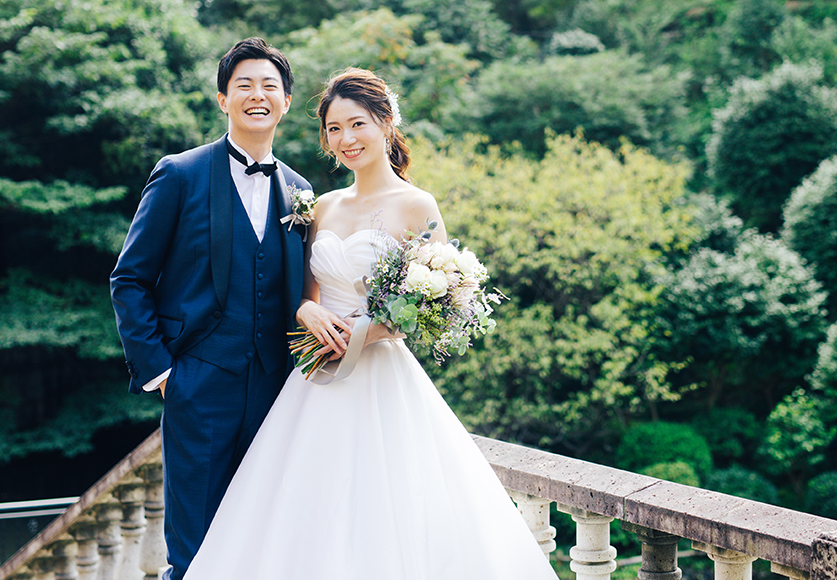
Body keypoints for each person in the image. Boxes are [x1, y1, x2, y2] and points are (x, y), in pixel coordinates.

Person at [183, 67, 558, 580]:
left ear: (385, 123)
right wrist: (306, 310)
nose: (346, 139)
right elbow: (304, 292)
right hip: (315, 381)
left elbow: (442, 301)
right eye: (334, 129)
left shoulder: (417, 204)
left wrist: (366, 332)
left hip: (381, 375)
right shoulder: (321, 206)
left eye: (357, 124)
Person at [109, 38, 313, 580]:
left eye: (269, 86)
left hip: (275, 393)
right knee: (194, 552)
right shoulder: (179, 173)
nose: (257, 95)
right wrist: (162, 374)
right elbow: (129, 279)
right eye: (244, 85)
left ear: (286, 102)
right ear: (223, 99)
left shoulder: (300, 191)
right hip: (197, 386)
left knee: (262, 544)